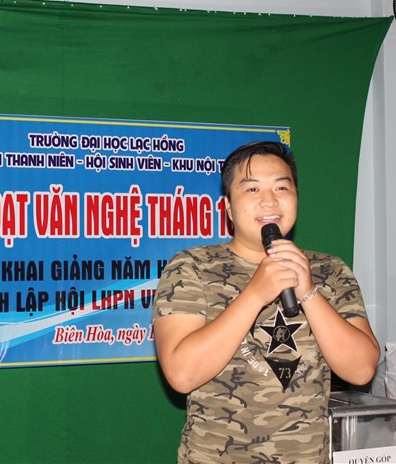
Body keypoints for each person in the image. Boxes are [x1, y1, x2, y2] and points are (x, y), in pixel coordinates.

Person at [153, 140, 379, 464]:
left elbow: (361, 369)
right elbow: (182, 374)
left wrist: (308, 292)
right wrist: (255, 294)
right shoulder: (192, 266)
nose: (269, 201)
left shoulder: (330, 269)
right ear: (228, 207)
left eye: (281, 187)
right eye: (252, 189)